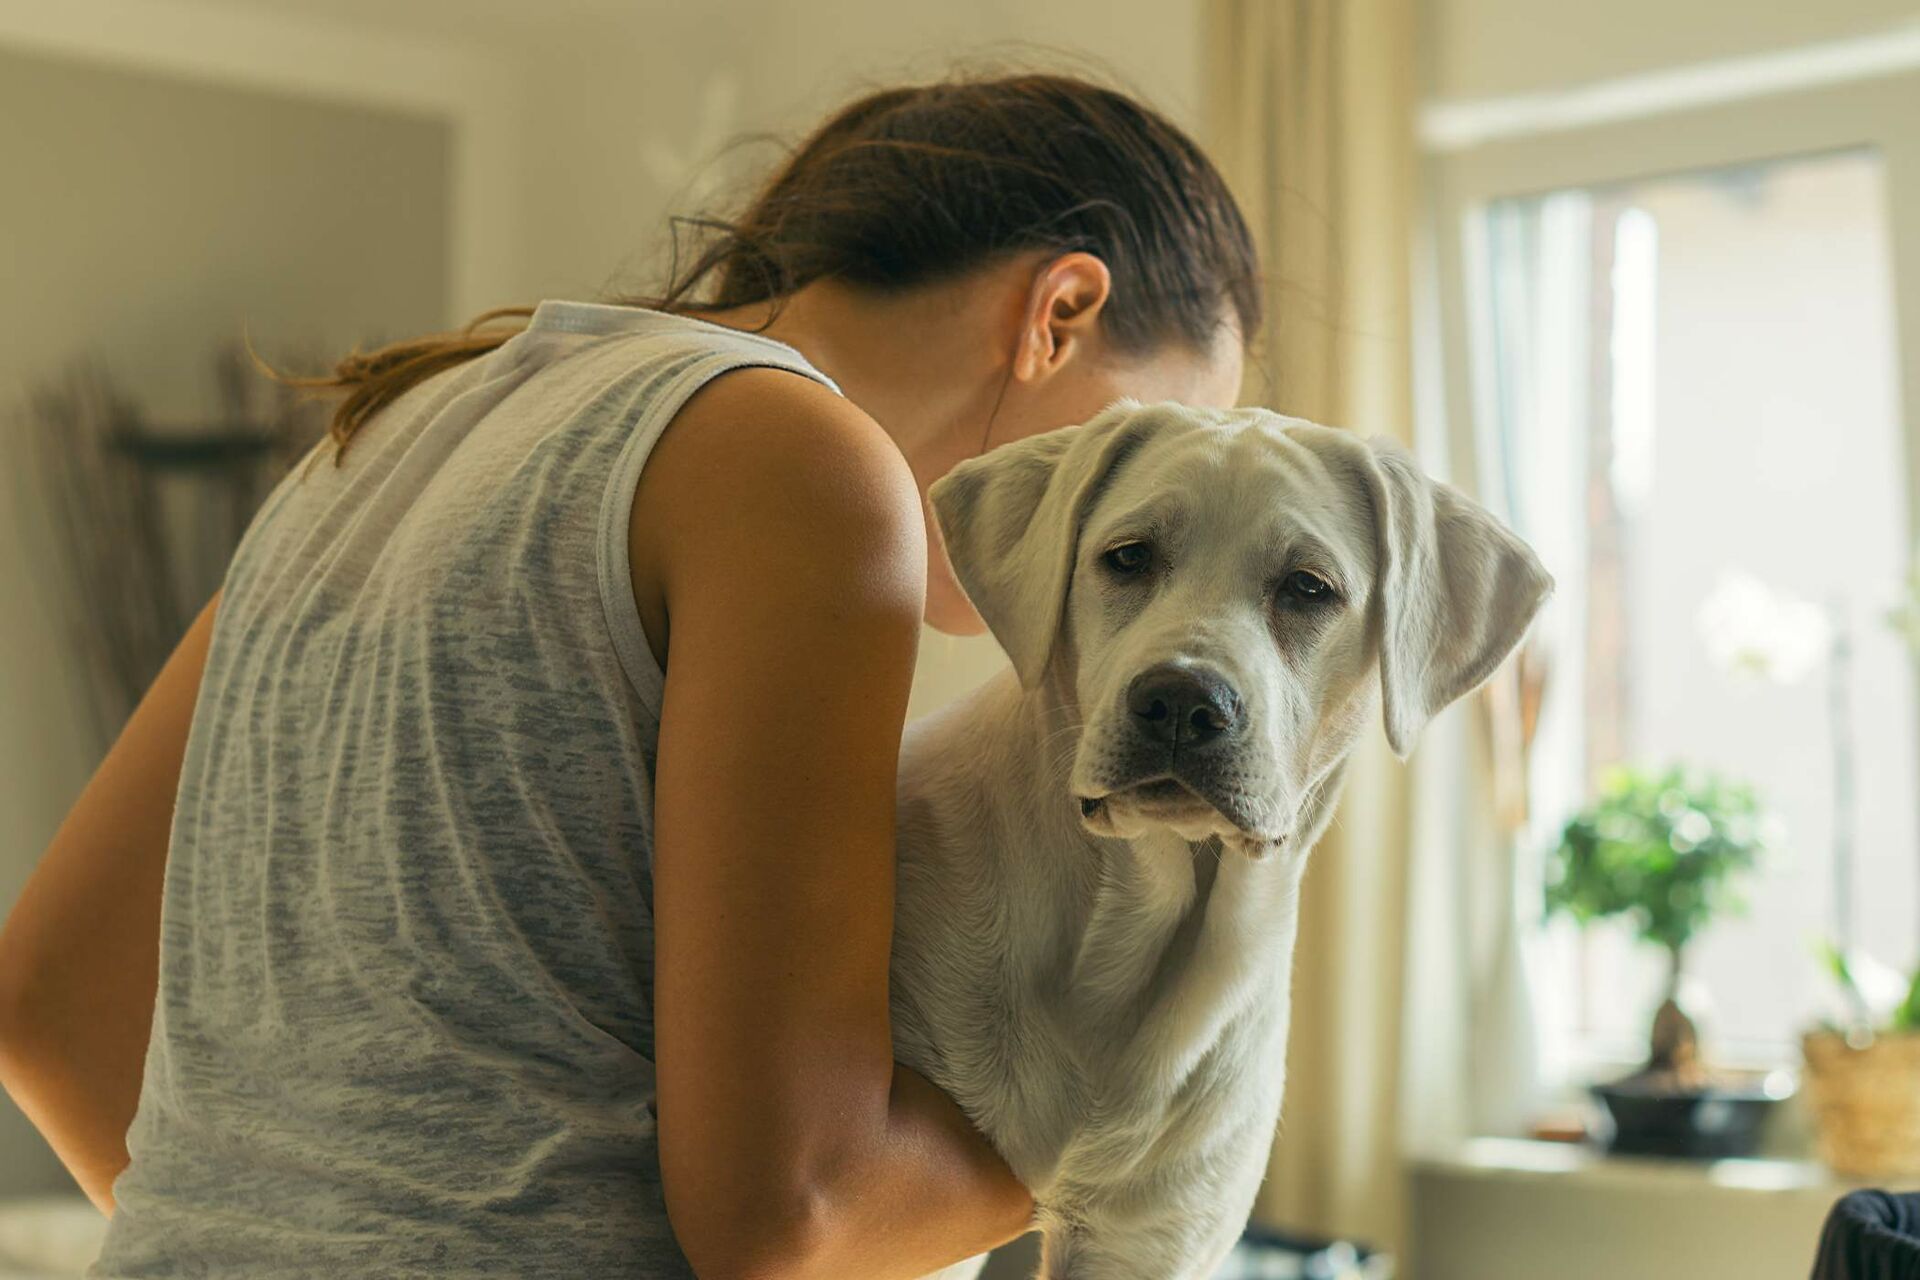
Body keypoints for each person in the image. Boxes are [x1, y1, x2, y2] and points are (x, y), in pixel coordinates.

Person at [0, 70, 1260, 1278]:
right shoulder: (799, 461)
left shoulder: (382, 435)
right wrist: (1129, 1138)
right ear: (1061, 312)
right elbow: (791, 1217)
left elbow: (47, 1008)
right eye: (1154, 447)